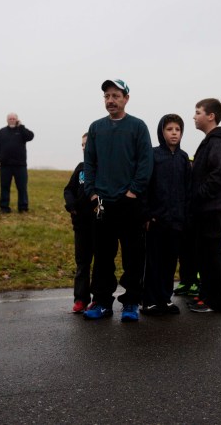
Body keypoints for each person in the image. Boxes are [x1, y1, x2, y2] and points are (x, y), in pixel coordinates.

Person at [82, 79, 153, 322]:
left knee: (133, 255)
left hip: (129, 202)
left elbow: (145, 162)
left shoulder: (138, 127)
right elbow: (89, 162)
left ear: (126, 98)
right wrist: (92, 193)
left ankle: (131, 302)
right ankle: (102, 302)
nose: (111, 100)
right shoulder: (96, 128)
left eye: (116, 95)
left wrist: (133, 192)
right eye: (107, 96)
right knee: (102, 256)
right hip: (102, 203)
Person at [141, 114, 191, 316]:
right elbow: (145, 186)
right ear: (161, 132)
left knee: (170, 262)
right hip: (156, 220)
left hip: (176, 221)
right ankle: (150, 301)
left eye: (177, 129)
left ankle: (165, 299)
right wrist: (147, 215)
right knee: (154, 261)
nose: (174, 133)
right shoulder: (153, 155)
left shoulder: (183, 158)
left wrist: (185, 216)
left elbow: (188, 189)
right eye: (169, 129)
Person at [188, 98, 221, 313]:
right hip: (206, 208)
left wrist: (197, 195)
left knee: (213, 255)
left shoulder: (217, 142)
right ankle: (206, 294)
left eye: (198, 112)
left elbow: (218, 176)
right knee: (205, 255)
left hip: (212, 208)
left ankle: (215, 301)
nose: (194, 116)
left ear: (211, 116)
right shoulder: (211, 141)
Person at [63, 133, 95, 313]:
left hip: (99, 224)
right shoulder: (80, 168)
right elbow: (68, 189)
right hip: (81, 224)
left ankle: (99, 299)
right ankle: (81, 299)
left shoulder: (103, 167)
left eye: (87, 144)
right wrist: (72, 206)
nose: (84, 147)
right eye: (82, 145)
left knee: (100, 264)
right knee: (82, 263)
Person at [0, 113, 34, 213]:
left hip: (20, 165)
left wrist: (21, 126)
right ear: (7, 120)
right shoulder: (1, 132)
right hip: (5, 165)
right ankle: (4, 207)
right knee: (5, 187)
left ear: (17, 120)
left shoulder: (22, 131)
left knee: (22, 187)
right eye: (10, 119)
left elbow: (30, 136)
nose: (12, 120)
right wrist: (0, 157)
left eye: (14, 119)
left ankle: (23, 207)